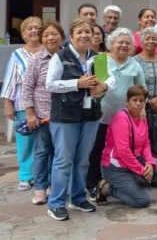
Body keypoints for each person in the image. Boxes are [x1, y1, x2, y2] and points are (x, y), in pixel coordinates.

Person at [45, 17, 115, 221]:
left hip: (91, 114)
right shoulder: (61, 56)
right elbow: (50, 84)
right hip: (65, 116)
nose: (84, 35)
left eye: (88, 32)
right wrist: (78, 83)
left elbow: (111, 78)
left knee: (83, 160)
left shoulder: (97, 57)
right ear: (71, 36)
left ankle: (77, 197)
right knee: (63, 160)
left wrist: (105, 86)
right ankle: (56, 203)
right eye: (80, 32)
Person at [86, 28, 146, 201]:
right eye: (120, 42)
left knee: (121, 152)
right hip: (101, 116)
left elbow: (142, 89)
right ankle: (93, 184)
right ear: (111, 43)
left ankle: (118, 181)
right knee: (97, 151)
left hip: (125, 120)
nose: (124, 45)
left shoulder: (134, 64)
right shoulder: (99, 60)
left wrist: (142, 107)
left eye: (128, 43)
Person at [98, 85, 157, 207]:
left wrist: (149, 164)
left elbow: (146, 143)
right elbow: (123, 151)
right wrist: (141, 171)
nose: (138, 104)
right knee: (143, 201)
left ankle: (133, 185)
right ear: (127, 101)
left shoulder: (141, 117)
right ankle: (107, 188)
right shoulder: (121, 119)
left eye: (141, 100)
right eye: (134, 100)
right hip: (116, 167)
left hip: (133, 162)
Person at [21, 21, 64, 205]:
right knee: (41, 152)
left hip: (64, 115)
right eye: (46, 35)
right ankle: (40, 188)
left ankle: (56, 185)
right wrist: (30, 114)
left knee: (60, 154)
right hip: (42, 115)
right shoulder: (36, 59)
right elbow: (27, 87)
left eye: (54, 34)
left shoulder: (67, 56)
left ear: (62, 36)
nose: (50, 38)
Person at [1, 16, 42, 191]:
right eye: (30, 28)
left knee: (44, 142)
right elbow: (10, 80)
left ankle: (42, 174)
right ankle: (26, 175)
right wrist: (7, 103)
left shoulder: (49, 51)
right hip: (22, 106)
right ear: (24, 34)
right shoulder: (17, 54)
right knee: (25, 141)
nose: (34, 31)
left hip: (45, 105)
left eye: (37, 28)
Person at [134, 27, 157, 157]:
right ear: (141, 43)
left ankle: (154, 173)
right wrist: (146, 101)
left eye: (154, 38)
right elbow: (133, 84)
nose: (151, 41)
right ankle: (142, 173)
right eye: (147, 38)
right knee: (141, 141)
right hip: (140, 108)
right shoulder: (134, 61)